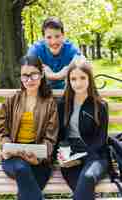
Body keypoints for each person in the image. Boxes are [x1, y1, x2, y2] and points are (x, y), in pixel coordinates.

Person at [0, 55, 59, 200]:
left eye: (34, 75)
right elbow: (2, 130)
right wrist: (7, 146)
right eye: (25, 76)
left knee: (27, 183)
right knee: (21, 167)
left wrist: (37, 159)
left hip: (38, 160)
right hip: (13, 157)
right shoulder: (11, 101)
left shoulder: (50, 103)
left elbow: (51, 137)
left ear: (42, 74)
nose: (29, 80)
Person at [57, 57, 109, 200]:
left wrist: (79, 159)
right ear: (69, 81)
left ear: (89, 79)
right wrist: (62, 155)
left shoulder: (101, 106)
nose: (78, 83)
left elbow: (100, 141)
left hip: (96, 155)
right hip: (70, 156)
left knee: (87, 177)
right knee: (82, 189)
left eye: (82, 78)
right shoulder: (62, 104)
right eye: (73, 79)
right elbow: (60, 136)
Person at [27, 16, 81, 90]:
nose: (54, 42)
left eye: (57, 36)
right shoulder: (35, 50)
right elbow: (28, 73)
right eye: (49, 37)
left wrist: (51, 74)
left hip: (67, 92)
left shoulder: (71, 49)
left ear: (63, 35)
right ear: (43, 38)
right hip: (41, 92)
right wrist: (58, 75)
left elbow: (83, 67)